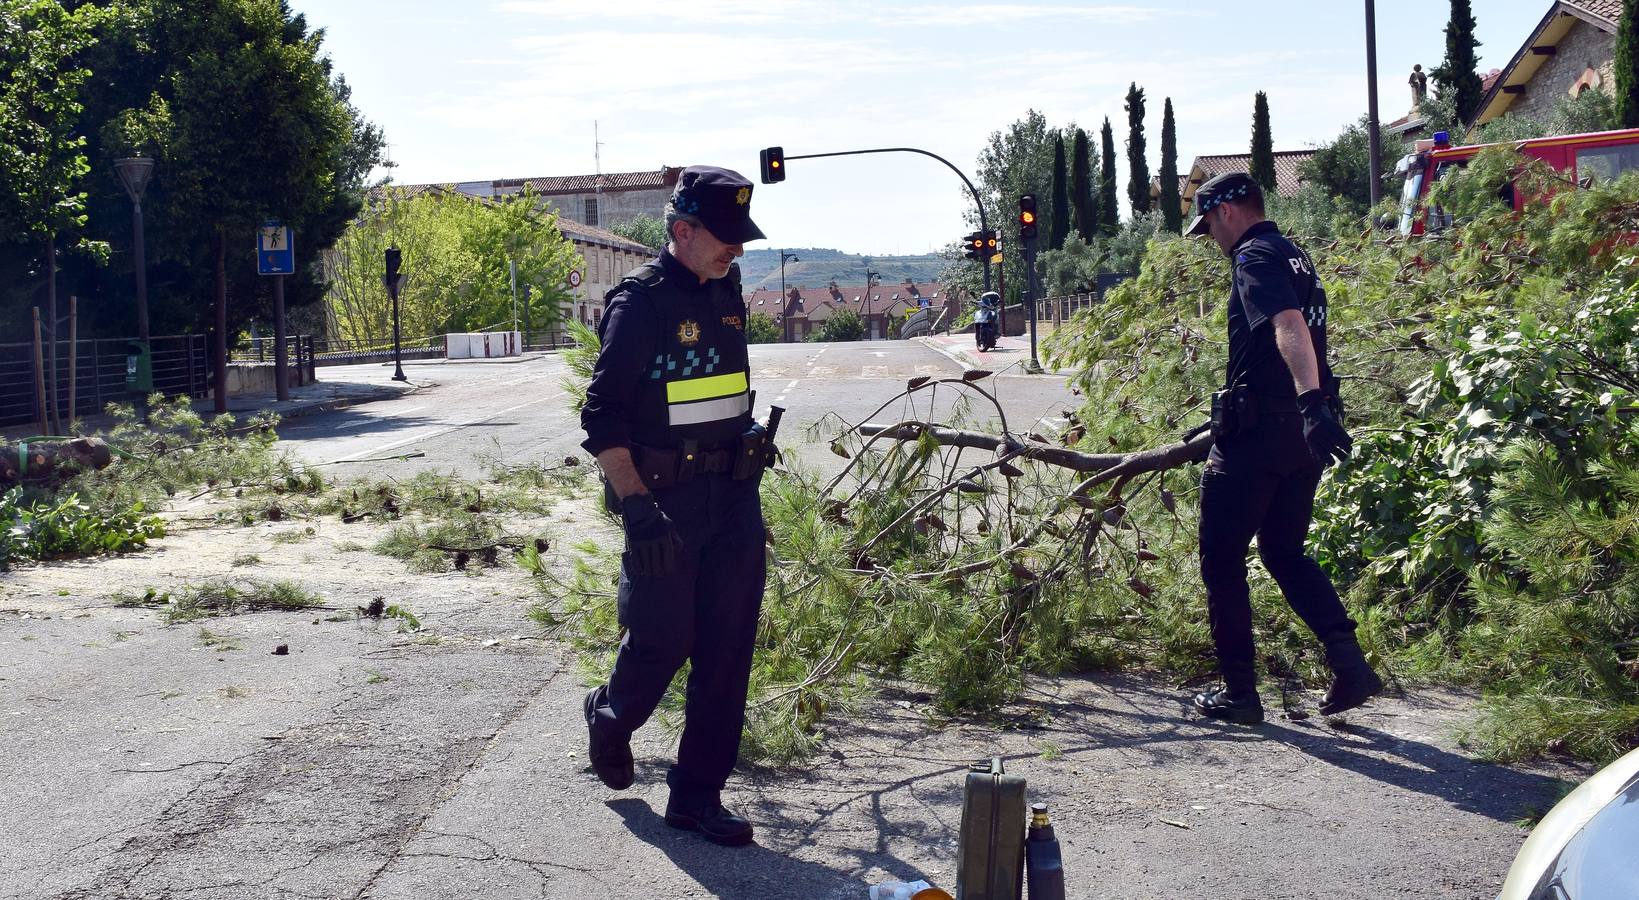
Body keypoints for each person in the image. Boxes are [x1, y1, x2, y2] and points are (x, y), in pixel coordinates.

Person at [579, 165, 770, 846]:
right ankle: (611, 715)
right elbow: (600, 418)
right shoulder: (642, 302)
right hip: (664, 502)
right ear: (681, 230)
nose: (736, 249)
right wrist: (636, 508)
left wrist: (744, 443)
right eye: (724, 237)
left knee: (726, 652)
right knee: (663, 641)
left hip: (733, 499)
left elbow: (720, 395)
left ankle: (695, 797)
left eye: (740, 238)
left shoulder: (727, 287)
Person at [1184, 172, 1383, 725]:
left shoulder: (1253, 257)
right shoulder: (1294, 253)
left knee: (1222, 562)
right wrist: (1313, 413)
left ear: (1227, 212)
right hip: (1299, 437)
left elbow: (1290, 325)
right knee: (1283, 551)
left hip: (1261, 434)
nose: (1212, 240)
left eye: (1208, 227)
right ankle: (1350, 666)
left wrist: (1311, 401)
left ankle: (1240, 695)